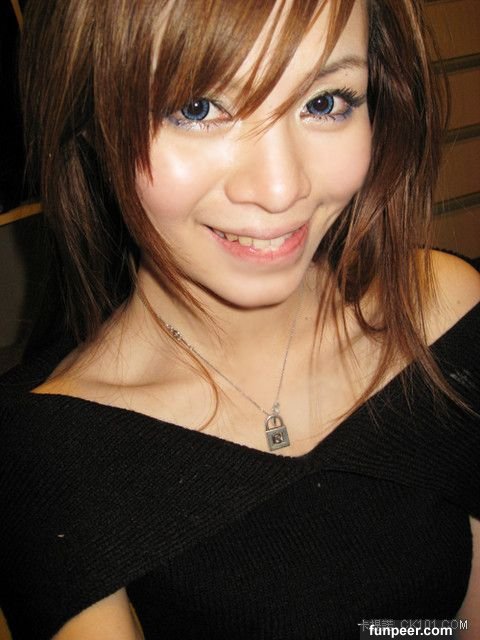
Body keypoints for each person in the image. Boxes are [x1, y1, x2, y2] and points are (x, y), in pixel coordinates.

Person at [0, 0, 479, 638]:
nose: (281, 189)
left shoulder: (443, 315)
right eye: (198, 108)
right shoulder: (49, 459)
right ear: (89, 124)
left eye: (325, 102)